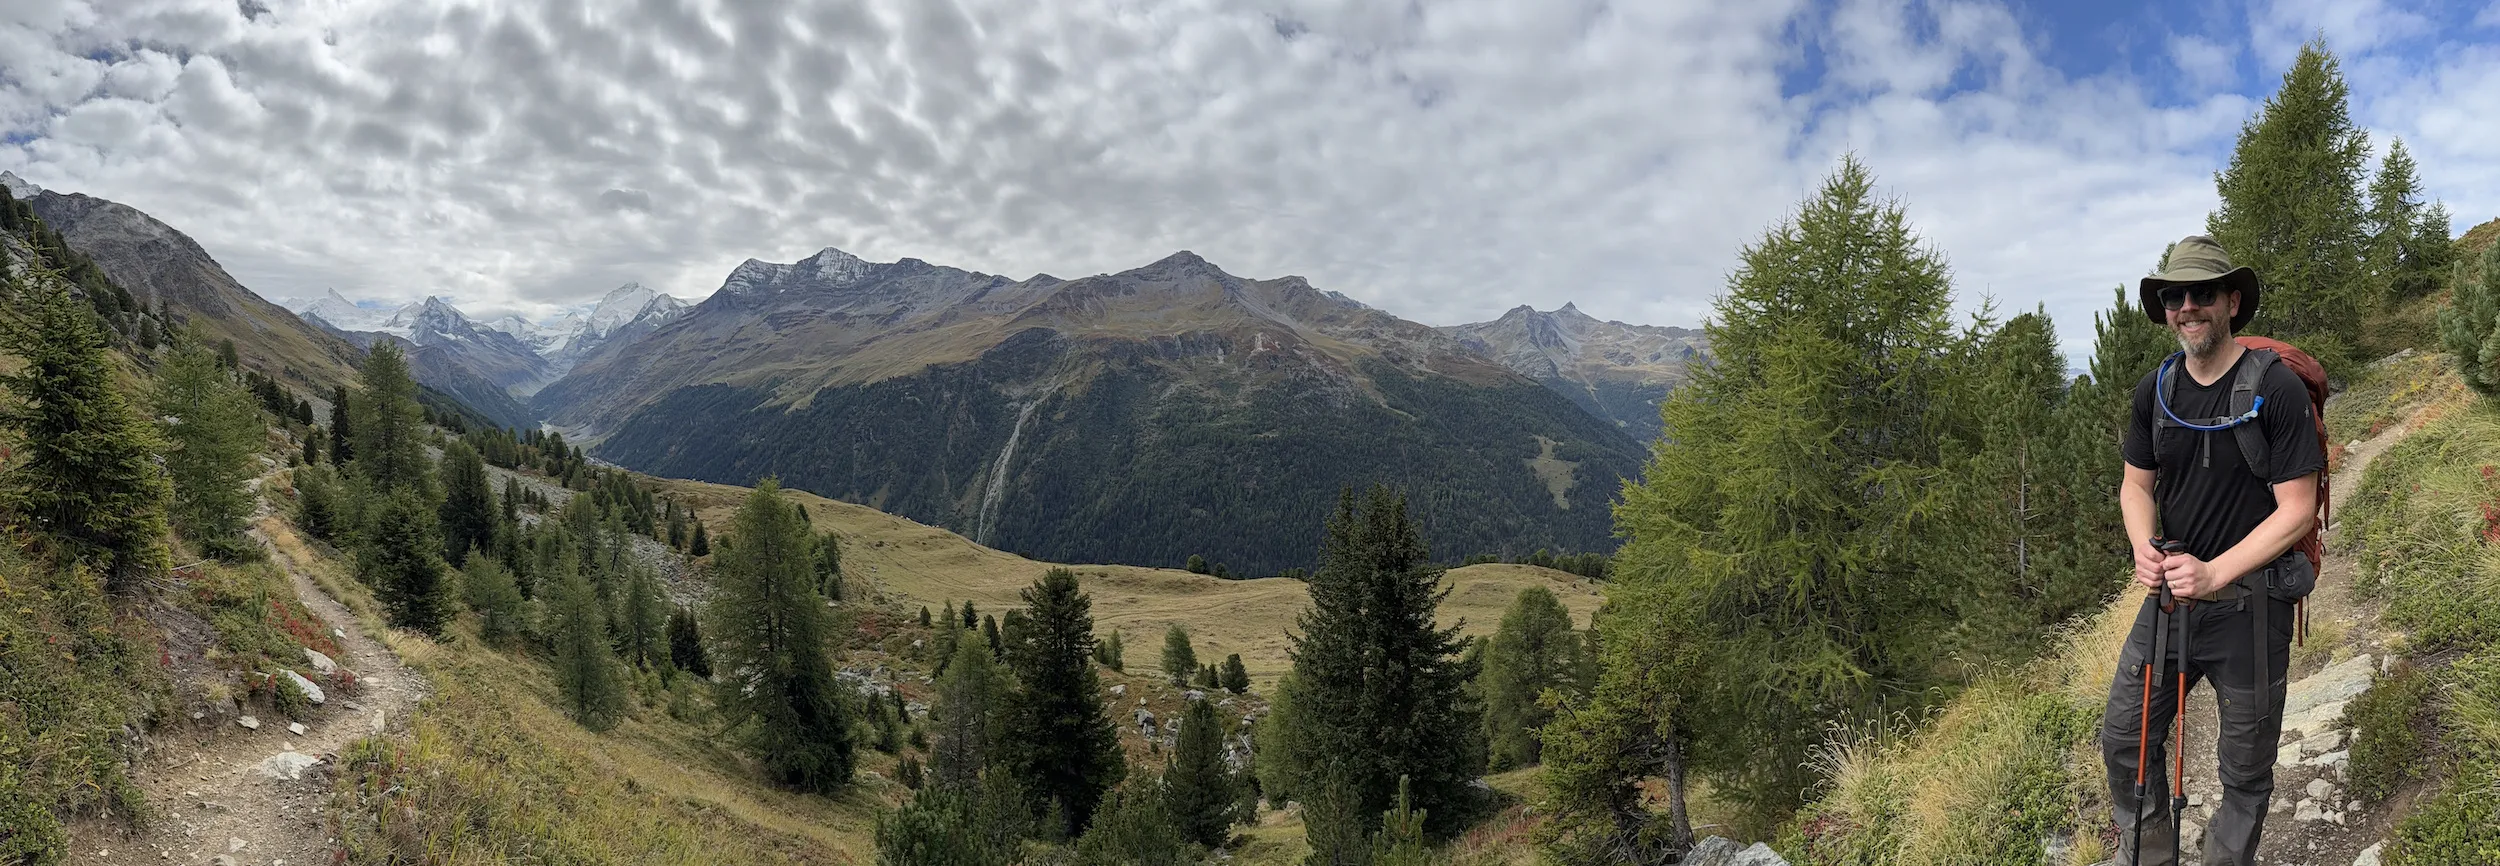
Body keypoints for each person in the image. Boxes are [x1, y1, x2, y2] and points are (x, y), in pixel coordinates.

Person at [2099, 235, 2324, 866]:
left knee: (2245, 769)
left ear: (2232, 302)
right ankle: (2149, 855)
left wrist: (2215, 571)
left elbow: (2297, 508)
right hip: (2171, 602)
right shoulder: (2157, 390)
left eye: (2202, 294)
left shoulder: (2275, 389)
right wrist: (2143, 547)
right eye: (2175, 296)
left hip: (2252, 606)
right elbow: (2135, 486)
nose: (2187, 307)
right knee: (2125, 739)